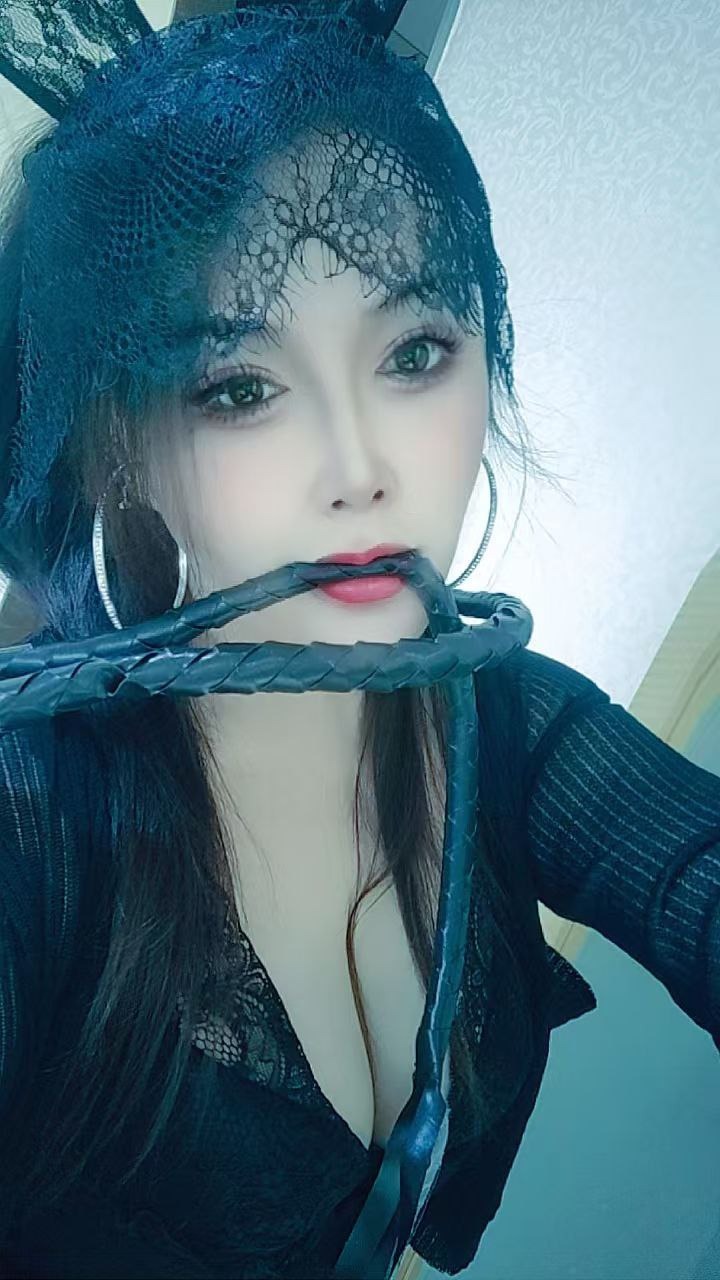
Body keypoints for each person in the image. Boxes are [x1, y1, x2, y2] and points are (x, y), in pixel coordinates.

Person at [0, 3, 718, 1277]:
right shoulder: (37, 816)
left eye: (415, 351)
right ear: (120, 448)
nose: (359, 468)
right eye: (241, 387)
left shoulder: (512, 719)